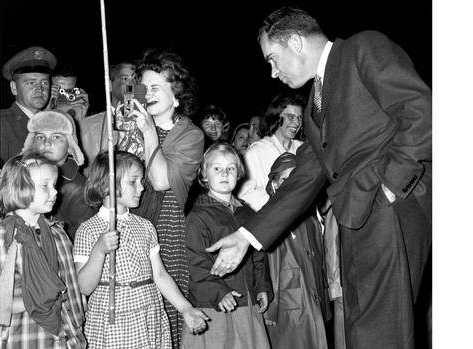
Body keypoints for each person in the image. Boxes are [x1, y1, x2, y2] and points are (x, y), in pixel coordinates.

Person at [207, 6, 432, 349]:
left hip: (389, 211)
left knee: (384, 333)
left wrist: (389, 187)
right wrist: (248, 236)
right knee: (362, 333)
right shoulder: (315, 103)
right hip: (356, 220)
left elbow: (421, 113)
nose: (272, 72)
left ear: (295, 41)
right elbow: (304, 177)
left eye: (272, 59)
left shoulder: (362, 49)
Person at [73, 151, 209, 349]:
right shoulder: (88, 229)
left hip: (148, 313)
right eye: (133, 181)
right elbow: (84, 287)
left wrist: (185, 308)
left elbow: (160, 275)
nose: (142, 188)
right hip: (113, 320)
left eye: (141, 181)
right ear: (107, 185)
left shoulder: (145, 226)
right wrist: (99, 251)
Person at [128, 48, 205, 349]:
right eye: (144, 88)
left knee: (165, 315)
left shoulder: (191, 135)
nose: (148, 94)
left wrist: (149, 132)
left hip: (166, 230)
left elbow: (160, 181)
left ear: (177, 95)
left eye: (157, 87)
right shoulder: (126, 127)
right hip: (130, 225)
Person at [182, 143, 272, 349]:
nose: (225, 173)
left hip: (245, 300)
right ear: (204, 175)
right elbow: (195, 262)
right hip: (216, 304)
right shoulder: (198, 216)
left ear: (239, 174)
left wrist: (262, 287)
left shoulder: (247, 213)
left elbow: (258, 255)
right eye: (217, 168)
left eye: (231, 168)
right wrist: (218, 292)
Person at [0, 152, 86, 348]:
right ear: (19, 187)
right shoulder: (2, 237)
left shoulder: (58, 234)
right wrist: (36, 302)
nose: (55, 192)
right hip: (25, 338)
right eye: (45, 186)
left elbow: (71, 291)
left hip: (66, 338)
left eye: (54, 185)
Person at [263, 152, 329, 349]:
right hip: (290, 304)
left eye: (296, 178)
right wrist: (271, 309)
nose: (291, 184)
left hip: (313, 297)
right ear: (275, 184)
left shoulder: (310, 217)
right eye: (285, 179)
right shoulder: (271, 217)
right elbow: (271, 267)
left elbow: (320, 260)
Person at [22, 110, 97, 242]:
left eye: (56, 137)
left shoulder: (78, 189)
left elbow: (83, 242)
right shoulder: (24, 177)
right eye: (40, 137)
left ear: (70, 145)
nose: (47, 143)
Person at [238, 92, 305, 211]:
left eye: (300, 118)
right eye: (291, 117)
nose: (296, 123)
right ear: (277, 117)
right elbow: (244, 195)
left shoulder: (303, 149)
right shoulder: (257, 151)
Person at [1, 46, 56, 166]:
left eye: (44, 82)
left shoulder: (55, 124)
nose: (40, 89)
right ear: (14, 88)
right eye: (31, 83)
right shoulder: (2, 124)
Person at [78, 61, 136, 173]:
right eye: (125, 78)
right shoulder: (85, 126)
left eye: (136, 78)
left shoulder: (149, 123)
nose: (132, 84)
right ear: (109, 85)